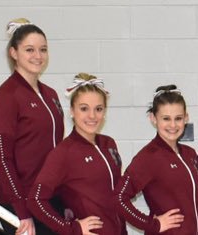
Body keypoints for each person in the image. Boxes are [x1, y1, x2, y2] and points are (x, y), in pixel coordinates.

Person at [0, 19, 65, 235]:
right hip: (20, 201)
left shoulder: (50, 95)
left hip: (49, 197)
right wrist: (21, 211)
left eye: (43, 49)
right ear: (14, 53)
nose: (38, 56)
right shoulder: (7, 96)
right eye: (29, 50)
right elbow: (2, 158)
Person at [28, 73, 126, 235]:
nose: (92, 116)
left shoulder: (109, 144)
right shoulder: (64, 152)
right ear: (72, 111)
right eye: (84, 108)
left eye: (98, 109)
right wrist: (71, 229)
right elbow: (36, 200)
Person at [119, 85, 198, 235]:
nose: (173, 125)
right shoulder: (148, 157)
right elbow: (118, 199)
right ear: (153, 118)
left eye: (178, 118)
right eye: (166, 118)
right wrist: (152, 224)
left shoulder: (189, 154)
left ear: (186, 118)